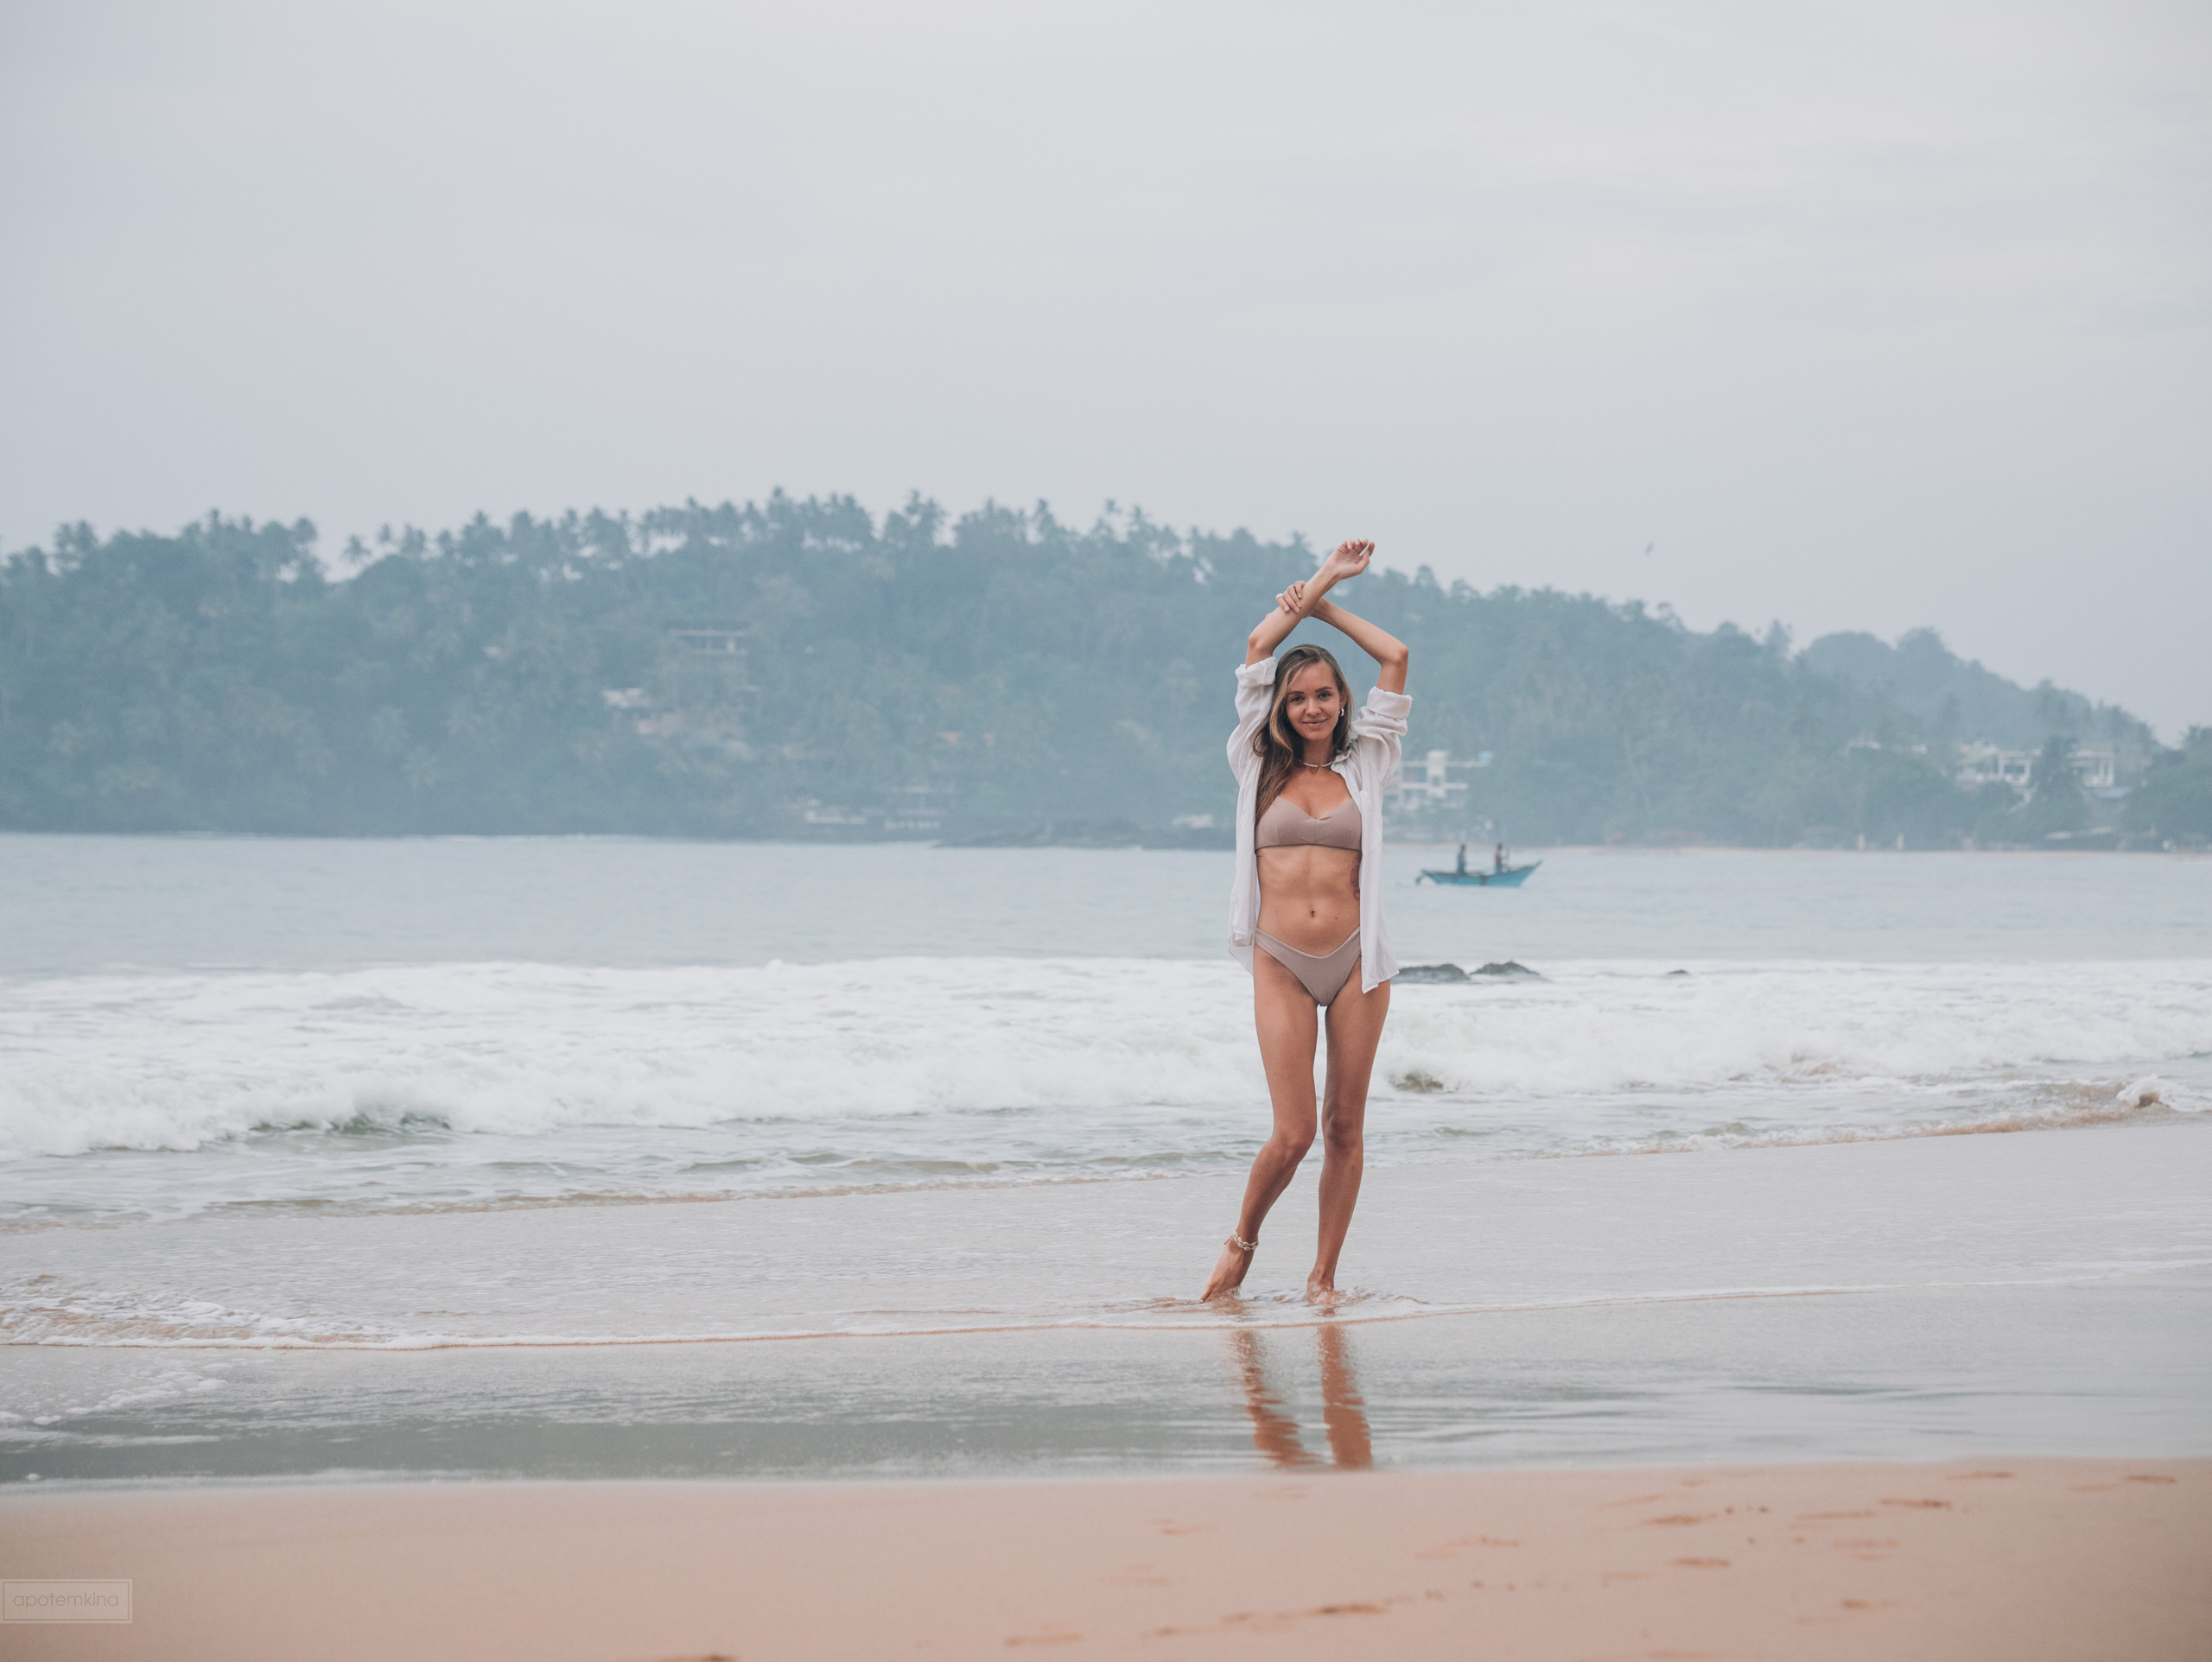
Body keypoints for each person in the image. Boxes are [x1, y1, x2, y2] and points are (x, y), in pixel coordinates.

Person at [1202, 538, 1411, 1304]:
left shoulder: (1369, 764)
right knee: (1292, 1134)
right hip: (1281, 960)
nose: (1311, 707)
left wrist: (1324, 608)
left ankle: (1323, 1277)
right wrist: (1317, 578)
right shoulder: (1253, 763)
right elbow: (1259, 647)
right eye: (1297, 697)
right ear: (1281, 708)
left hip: (1358, 959)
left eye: (1324, 694)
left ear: (1342, 702)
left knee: (1344, 1130)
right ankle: (1241, 1245)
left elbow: (1397, 654)